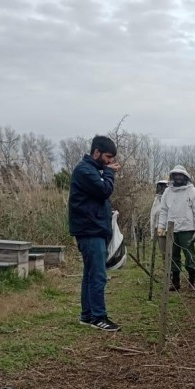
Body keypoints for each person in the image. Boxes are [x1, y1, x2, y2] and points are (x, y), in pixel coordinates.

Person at [68, 135, 121, 332]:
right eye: (108, 157)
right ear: (96, 152)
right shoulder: (85, 171)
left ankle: (87, 315)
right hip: (90, 231)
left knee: (90, 275)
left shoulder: (93, 170)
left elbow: (98, 197)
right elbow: (104, 190)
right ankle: (99, 317)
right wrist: (108, 173)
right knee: (98, 275)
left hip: (93, 229)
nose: (110, 162)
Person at [157, 165, 195, 291]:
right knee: (173, 256)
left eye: (180, 175)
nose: (178, 177)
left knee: (189, 256)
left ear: (185, 176)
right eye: (176, 175)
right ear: (172, 177)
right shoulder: (168, 191)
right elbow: (164, 211)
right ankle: (175, 282)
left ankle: (192, 280)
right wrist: (161, 226)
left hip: (187, 229)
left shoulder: (193, 192)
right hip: (171, 229)